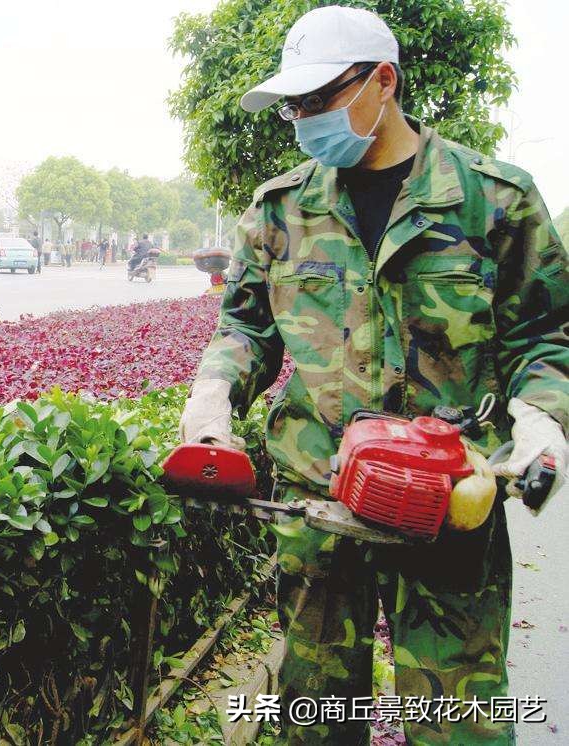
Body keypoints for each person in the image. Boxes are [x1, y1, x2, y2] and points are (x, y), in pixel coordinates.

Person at [178, 6, 567, 744]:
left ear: (382, 82)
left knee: (458, 720)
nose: (301, 118)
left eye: (318, 99)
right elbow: (246, 328)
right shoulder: (281, 208)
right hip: (319, 500)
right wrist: (214, 394)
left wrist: (543, 418)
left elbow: (546, 337)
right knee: (314, 713)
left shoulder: (495, 201)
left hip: (450, 503)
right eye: (292, 105)